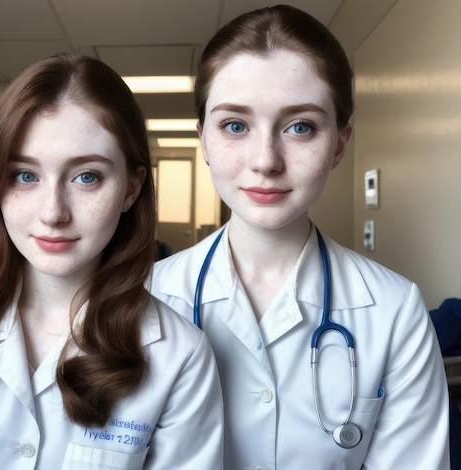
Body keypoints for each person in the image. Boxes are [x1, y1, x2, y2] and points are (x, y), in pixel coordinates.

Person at [0, 53, 223, 469]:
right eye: (25, 176)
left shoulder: (179, 356)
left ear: (131, 187)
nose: (53, 212)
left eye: (87, 176)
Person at [151, 5, 449, 469]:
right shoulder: (142, 296)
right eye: (235, 125)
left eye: (300, 127)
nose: (266, 160)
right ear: (204, 140)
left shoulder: (395, 311)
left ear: (339, 144)